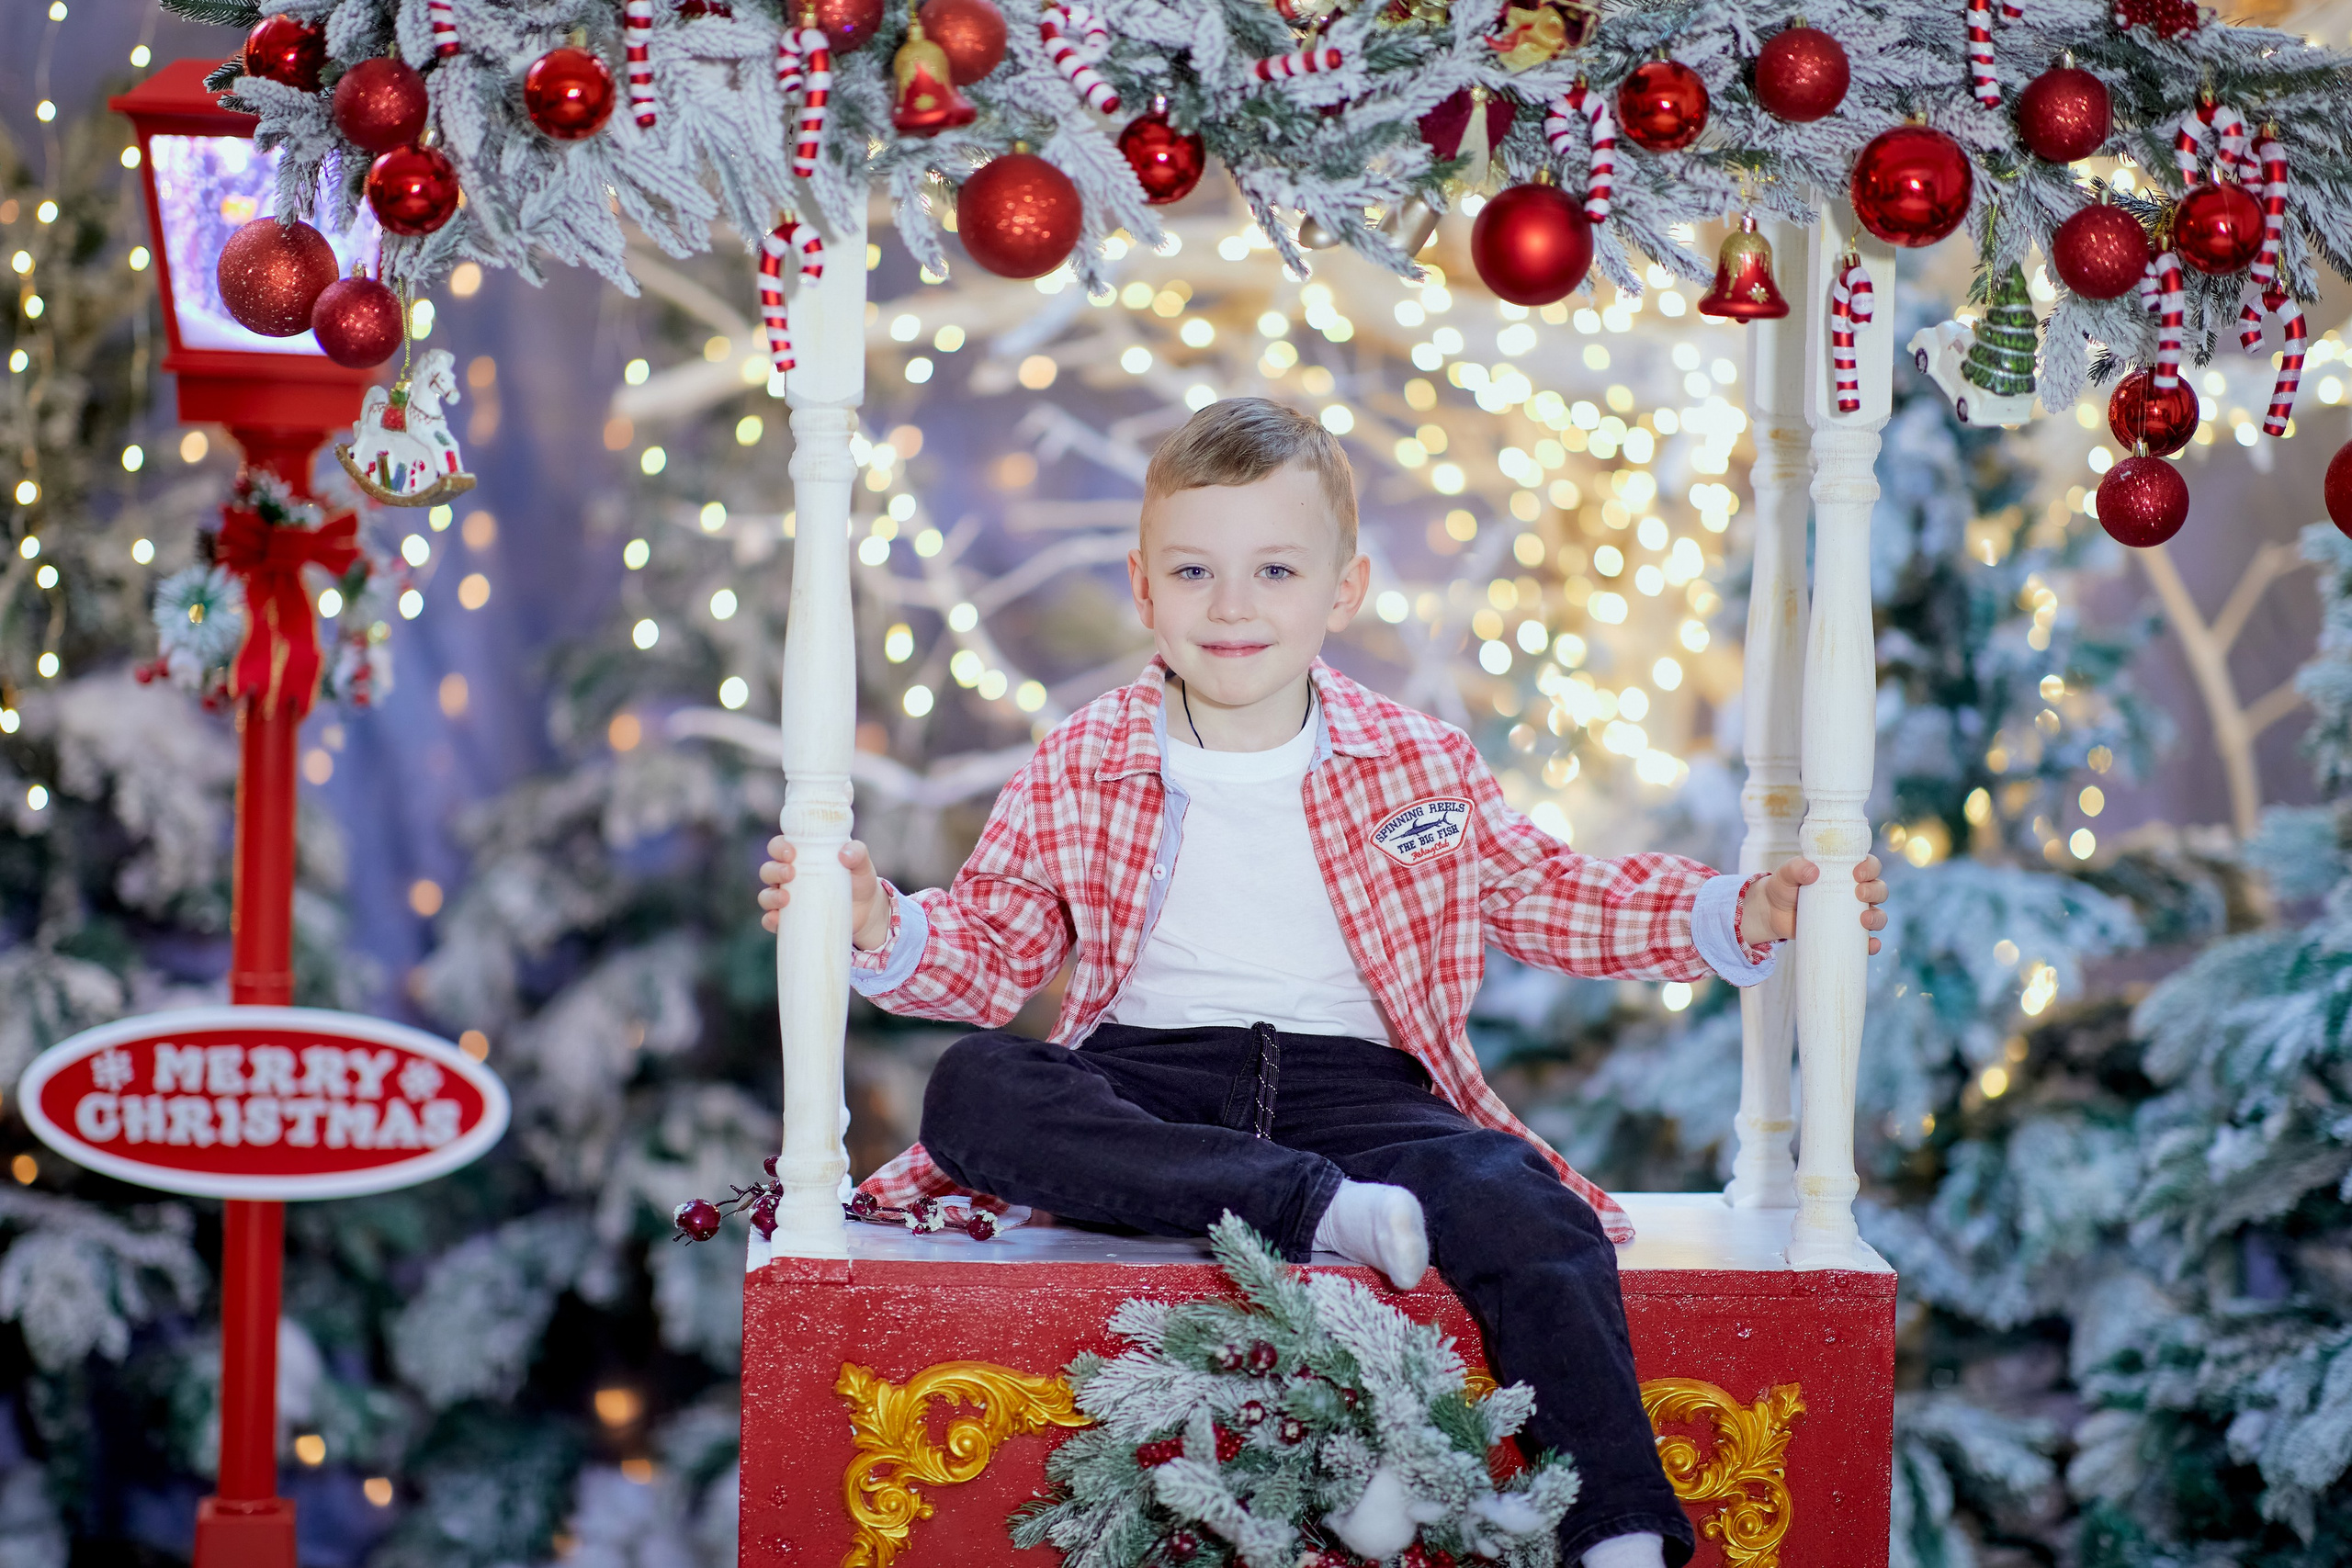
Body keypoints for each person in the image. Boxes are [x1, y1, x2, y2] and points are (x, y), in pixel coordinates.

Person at [758, 398, 1889, 1568]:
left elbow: (1545, 892)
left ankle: (1614, 1532)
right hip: (1149, 1088)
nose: (1232, 605)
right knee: (978, 1087)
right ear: (1144, 592)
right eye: (1193, 570)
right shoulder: (1086, 756)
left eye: (1275, 570)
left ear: (1340, 591)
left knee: (1517, 1198)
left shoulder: (1414, 762)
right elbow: (995, 951)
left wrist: (1729, 910)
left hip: (1363, 1096)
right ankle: (1313, 1210)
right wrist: (884, 923)